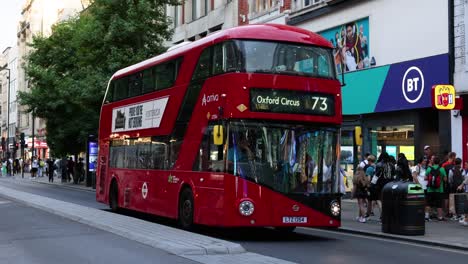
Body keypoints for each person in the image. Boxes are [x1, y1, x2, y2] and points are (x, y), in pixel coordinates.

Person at [425, 155, 447, 221]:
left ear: (433, 162)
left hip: (430, 189)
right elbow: (445, 179)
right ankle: (440, 217)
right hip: (439, 190)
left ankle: (426, 216)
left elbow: (425, 178)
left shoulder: (429, 169)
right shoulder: (442, 169)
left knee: (428, 203)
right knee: (439, 204)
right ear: (439, 162)